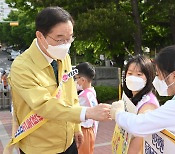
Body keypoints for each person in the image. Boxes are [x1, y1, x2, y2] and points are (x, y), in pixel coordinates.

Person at [7, 7, 111, 154]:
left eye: (70, 38)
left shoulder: (64, 58)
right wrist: (87, 113)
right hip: (40, 148)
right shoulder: (22, 67)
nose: (66, 44)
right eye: (60, 39)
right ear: (40, 36)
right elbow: (44, 105)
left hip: (68, 142)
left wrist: (76, 127)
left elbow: (71, 94)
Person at [111, 45, 175, 138]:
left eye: (158, 75)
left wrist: (118, 113)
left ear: (174, 76)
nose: (157, 79)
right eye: (130, 73)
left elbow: (138, 126)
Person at [122, 55, 159, 154]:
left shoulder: (148, 105)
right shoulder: (132, 99)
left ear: (149, 77)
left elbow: (137, 143)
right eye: (130, 73)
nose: (133, 78)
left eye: (139, 74)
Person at [74, 62, 99, 154]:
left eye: (76, 78)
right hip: (88, 131)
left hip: (83, 131)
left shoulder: (84, 96)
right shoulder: (90, 91)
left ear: (83, 80)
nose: (75, 81)